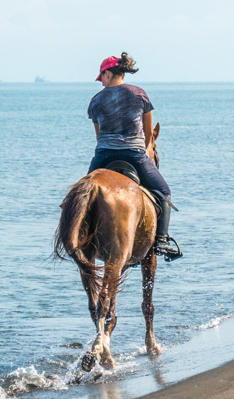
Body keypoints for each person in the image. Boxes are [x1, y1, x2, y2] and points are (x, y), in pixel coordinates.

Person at [86, 52, 182, 261]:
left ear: (108, 73)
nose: (101, 82)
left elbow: (98, 136)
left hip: (103, 155)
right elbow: (148, 135)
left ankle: (81, 238)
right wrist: (143, 148)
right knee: (164, 191)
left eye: (101, 77)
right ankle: (162, 240)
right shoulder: (140, 94)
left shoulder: (95, 101)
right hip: (135, 154)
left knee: (83, 194)